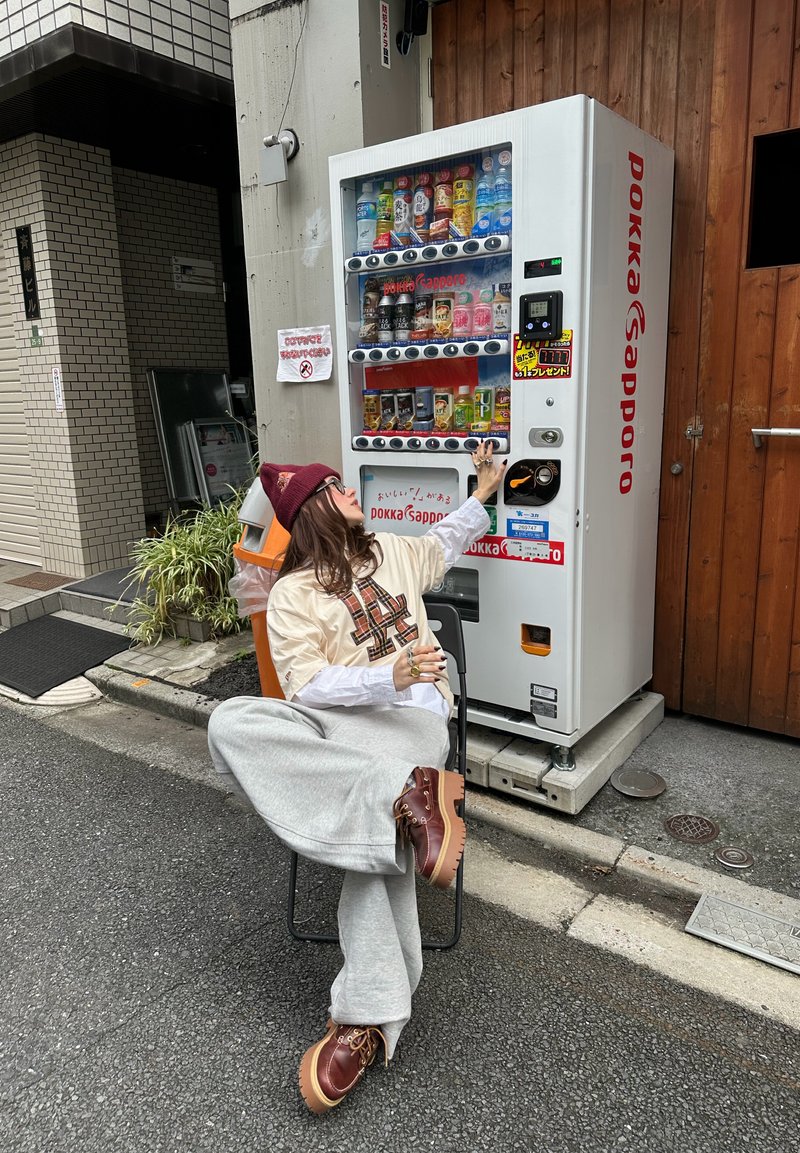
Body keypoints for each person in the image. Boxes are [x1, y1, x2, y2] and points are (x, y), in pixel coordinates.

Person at [207, 443, 506, 1113]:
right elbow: (304, 687)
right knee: (230, 722)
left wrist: (483, 489)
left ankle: (365, 1019)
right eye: (338, 487)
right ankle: (409, 800)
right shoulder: (290, 594)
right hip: (341, 731)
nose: (352, 493)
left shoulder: (393, 551)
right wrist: (383, 673)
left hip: (412, 723)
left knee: (373, 828)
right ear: (318, 507)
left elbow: (445, 539)